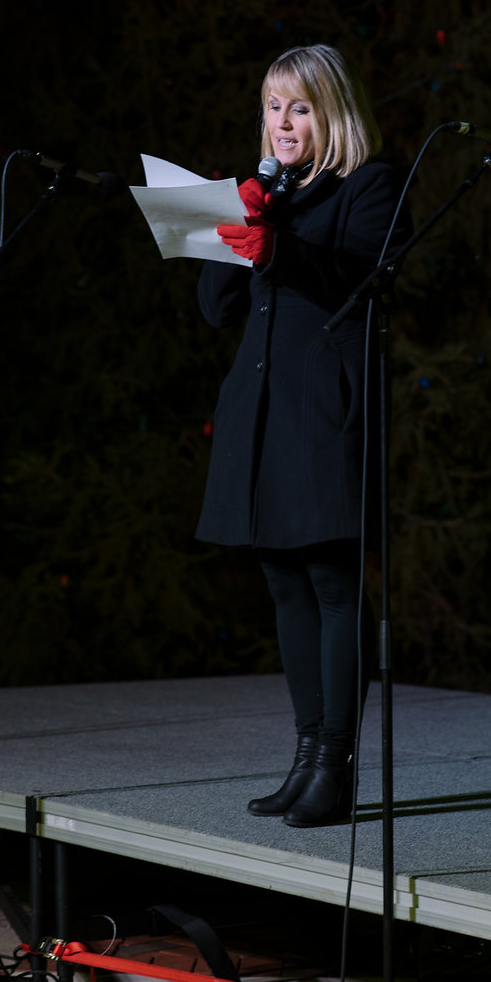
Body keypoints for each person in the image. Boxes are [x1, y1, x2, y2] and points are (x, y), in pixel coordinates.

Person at [196, 43, 407, 828]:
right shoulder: (267, 190)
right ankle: (304, 755)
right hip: (260, 408)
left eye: (301, 107)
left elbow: (362, 284)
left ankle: (336, 767)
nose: (284, 122)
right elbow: (217, 308)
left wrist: (278, 246)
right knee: (283, 582)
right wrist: (238, 219)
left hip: (325, 407)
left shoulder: (367, 186)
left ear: (333, 112)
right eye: (274, 107)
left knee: (331, 584)